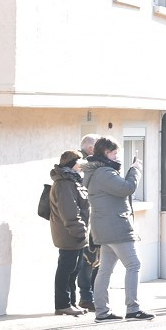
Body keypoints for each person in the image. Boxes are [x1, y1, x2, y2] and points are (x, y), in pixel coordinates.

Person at [84, 136, 153, 322]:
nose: (117, 157)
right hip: (116, 226)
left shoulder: (97, 172)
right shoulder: (104, 173)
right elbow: (127, 188)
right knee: (133, 264)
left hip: (105, 227)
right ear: (106, 153)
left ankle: (102, 312)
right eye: (114, 153)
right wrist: (135, 170)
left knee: (105, 270)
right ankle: (133, 308)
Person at [49, 150, 90, 315]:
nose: (82, 166)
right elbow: (70, 212)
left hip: (75, 234)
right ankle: (63, 304)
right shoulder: (64, 184)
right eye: (79, 163)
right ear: (72, 164)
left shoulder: (72, 181)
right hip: (70, 234)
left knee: (73, 269)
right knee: (66, 269)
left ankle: (71, 303)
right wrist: (80, 232)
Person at [75, 133, 100, 312]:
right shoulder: (80, 164)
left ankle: (93, 296)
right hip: (86, 220)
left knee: (97, 260)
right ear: (91, 148)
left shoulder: (92, 163)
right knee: (86, 260)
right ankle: (86, 296)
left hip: (95, 218)